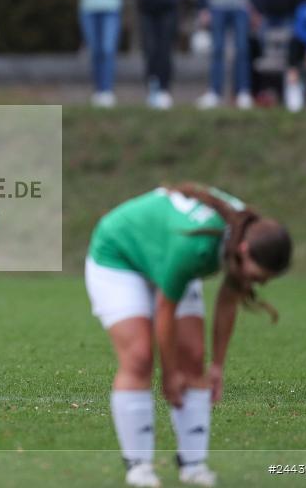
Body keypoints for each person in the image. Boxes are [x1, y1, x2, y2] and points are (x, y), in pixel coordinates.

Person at [86, 184, 291, 487]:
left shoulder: (245, 231)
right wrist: (169, 375)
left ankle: (193, 466)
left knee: (195, 358)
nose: (257, 283)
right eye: (257, 275)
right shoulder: (196, 247)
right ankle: (139, 466)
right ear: (244, 251)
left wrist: (217, 366)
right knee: (140, 357)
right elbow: (164, 310)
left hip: (165, 254)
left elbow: (228, 301)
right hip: (120, 255)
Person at [133, 0, 188, 109]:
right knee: (150, 51)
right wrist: (144, 0)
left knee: (164, 51)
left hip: (167, 15)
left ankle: (164, 89)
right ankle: (152, 87)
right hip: (148, 14)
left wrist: (167, 0)